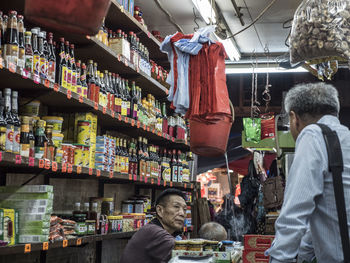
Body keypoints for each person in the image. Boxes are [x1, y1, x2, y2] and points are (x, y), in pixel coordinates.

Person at [266, 83, 350, 262]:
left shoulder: (313, 134)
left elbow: (293, 216)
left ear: (294, 118)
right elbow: (327, 214)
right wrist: (303, 254)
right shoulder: (345, 139)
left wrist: (279, 259)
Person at [120, 189, 187, 263]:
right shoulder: (153, 232)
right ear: (159, 210)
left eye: (184, 209)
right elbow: (187, 256)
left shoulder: (170, 233)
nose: (182, 213)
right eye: (176, 207)